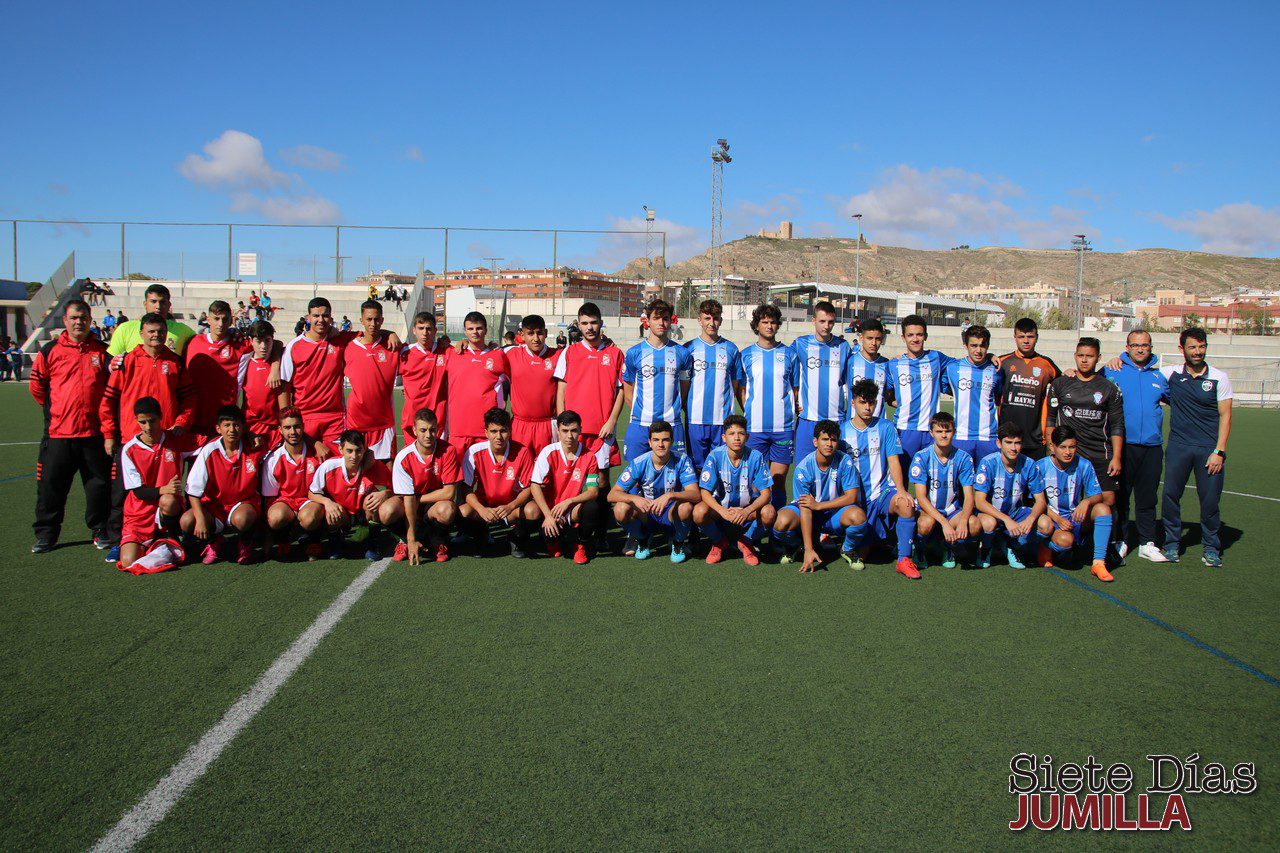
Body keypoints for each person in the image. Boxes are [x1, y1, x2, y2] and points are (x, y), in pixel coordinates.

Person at [100, 312, 197, 562]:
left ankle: (168, 534)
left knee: (169, 491)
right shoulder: (128, 361)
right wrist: (109, 434)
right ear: (141, 333)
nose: (156, 336)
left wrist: (180, 423)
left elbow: (188, 399)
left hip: (165, 440)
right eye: (151, 331)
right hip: (131, 440)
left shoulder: (174, 362)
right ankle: (117, 539)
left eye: (160, 331)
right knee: (123, 492)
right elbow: (108, 400)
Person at [29, 299, 112, 554]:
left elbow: (111, 389)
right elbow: (37, 387)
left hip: (93, 434)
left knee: (98, 487)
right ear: (65, 321)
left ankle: (100, 530)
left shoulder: (101, 351)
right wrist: (58, 411)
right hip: (58, 434)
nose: (79, 322)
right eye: (74, 317)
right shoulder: (50, 351)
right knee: (51, 488)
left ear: (90, 320)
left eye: (84, 317)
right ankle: (47, 534)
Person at [1158, 327, 1232, 567]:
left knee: (1209, 501)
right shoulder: (1170, 374)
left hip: (1208, 450)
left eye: (1201, 347)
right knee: (1170, 496)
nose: (1197, 352)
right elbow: (1140, 372)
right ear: (1182, 349)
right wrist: (1120, 359)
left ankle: (1211, 548)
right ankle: (1171, 544)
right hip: (1179, 447)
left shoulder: (1219, 378)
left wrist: (1219, 451)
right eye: (1192, 347)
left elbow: (1226, 416)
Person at [1046, 337, 1124, 562]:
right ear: (1075, 356)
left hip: (1100, 453)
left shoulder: (1108, 388)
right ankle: (1063, 540)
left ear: (1098, 358)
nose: (1085, 360)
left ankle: (1104, 544)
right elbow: (1051, 419)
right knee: (1063, 499)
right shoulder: (1061, 384)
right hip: (1068, 454)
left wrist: (1116, 456)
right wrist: (1051, 448)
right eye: (1081, 355)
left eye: (1090, 356)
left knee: (1107, 500)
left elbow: (1118, 424)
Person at [554, 302, 624, 548]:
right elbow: (561, 390)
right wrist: (563, 425)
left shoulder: (614, 353)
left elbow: (620, 391)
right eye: (584, 323)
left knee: (602, 482)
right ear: (578, 324)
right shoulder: (569, 352)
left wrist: (612, 421)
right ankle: (564, 530)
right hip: (574, 431)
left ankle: (601, 532)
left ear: (601, 323)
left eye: (593, 322)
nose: (589, 327)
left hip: (601, 431)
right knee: (567, 479)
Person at [840, 379, 918, 577]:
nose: (868, 407)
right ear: (853, 402)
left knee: (906, 504)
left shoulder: (886, 427)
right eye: (863, 402)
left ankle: (904, 559)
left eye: (872, 403)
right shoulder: (842, 432)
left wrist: (901, 491)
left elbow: (893, 461)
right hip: (855, 499)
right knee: (864, 554)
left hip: (881, 493)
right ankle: (865, 539)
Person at [1102, 330, 1168, 563]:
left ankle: (1147, 543)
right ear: (1127, 346)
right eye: (1135, 345)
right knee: (1120, 497)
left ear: (1151, 347)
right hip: (1122, 446)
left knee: (1148, 497)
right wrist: (1070, 371)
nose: (1140, 349)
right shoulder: (1113, 369)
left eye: (1145, 345)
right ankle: (1120, 540)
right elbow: (1087, 377)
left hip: (1151, 446)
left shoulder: (1159, 376)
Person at [771, 419, 867, 574]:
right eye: (825, 439)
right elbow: (806, 509)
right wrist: (809, 549)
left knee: (858, 516)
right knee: (780, 522)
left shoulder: (845, 461)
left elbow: (852, 497)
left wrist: (819, 505)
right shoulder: (804, 468)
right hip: (808, 513)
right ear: (815, 442)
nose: (829, 444)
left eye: (833, 440)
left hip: (833, 513)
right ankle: (798, 546)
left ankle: (847, 549)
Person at [735, 303, 800, 512]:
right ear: (757, 325)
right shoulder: (745, 355)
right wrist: (750, 410)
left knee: (778, 480)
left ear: (778, 325)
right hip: (755, 428)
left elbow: (795, 389)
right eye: (765, 322)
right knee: (756, 483)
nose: (769, 326)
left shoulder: (790, 354)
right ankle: (755, 529)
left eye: (773, 322)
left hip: (783, 427)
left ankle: (777, 531)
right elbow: (741, 390)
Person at [609, 419, 700, 563]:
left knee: (686, 507)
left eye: (665, 440)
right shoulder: (639, 462)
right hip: (647, 512)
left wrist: (670, 495)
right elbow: (612, 494)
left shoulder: (682, 460)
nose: (661, 444)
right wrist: (634, 498)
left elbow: (695, 494)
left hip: (670, 513)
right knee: (620, 509)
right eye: (656, 440)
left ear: (672, 441)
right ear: (650, 442)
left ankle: (678, 543)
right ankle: (642, 540)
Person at [181, 405, 263, 565]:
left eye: (236, 425)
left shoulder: (253, 446)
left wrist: (254, 435)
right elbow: (193, 490)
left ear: (243, 427)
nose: (232, 429)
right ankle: (215, 542)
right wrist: (200, 518)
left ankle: (245, 544)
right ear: (218, 428)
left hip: (243, 504)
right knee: (187, 520)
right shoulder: (209, 450)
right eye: (227, 425)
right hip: (214, 507)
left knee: (243, 518)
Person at [693, 414, 775, 566]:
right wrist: (722, 511)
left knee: (769, 513)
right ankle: (719, 541)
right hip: (721, 511)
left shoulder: (756, 457)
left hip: (747, 511)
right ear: (724, 437)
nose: (736, 438)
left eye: (741, 434)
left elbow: (766, 494)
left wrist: (746, 511)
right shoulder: (715, 456)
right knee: (698, 513)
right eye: (731, 434)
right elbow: (704, 492)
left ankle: (746, 541)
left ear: (747, 436)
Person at [1035, 425, 1114, 582]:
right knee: (1065, 542)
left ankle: (1098, 563)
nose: (1068, 452)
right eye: (1063, 447)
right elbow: (1037, 502)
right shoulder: (1040, 466)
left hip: (1076, 517)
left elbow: (1097, 495)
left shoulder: (1084, 465)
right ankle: (1046, 545)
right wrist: (1057, 519)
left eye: (1072, 447)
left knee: (1103, 509)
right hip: (1053, 520)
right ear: (1052, 446)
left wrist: (1086, 501)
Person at [307, 430, 400, 561]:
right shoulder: (328, 467)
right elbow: (312, 493)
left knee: (372, 501)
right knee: (330, 510)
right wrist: (327, 503)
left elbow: (396, 491)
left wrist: (385, 494)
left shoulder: (375, 466)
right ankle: (335, 542)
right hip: (343, 513)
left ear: (364, 449)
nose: (354, 456)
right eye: (349, 451)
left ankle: (373, 544)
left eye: (358, 450)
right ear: (340, 449)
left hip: (364, 513)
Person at [118, 396, 186, 568]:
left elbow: (210, 443)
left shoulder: (175, 439)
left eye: (152, 421)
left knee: (169, 500)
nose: (148, 427)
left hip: (168, 508)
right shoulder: (129, 450)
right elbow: (139, 492)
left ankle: (170, 537)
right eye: (143, 422)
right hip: (139, 513)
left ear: (161, 417)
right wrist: (165, 488)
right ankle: (161, 548)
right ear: (137, 421)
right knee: (128, 561)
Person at [459, 408, 536, 558]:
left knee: (533, 511)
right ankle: (481, 534)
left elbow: (529, 488)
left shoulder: (522, 452)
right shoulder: (474, 451)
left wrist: (511, 506)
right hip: (484, 508)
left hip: (511, 508)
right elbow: (466, 489)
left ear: (510, 430)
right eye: (493, 431)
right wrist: (482, 509)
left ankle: (515, 538)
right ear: (486, 432)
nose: (498, 436)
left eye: (503, 431)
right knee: (463, 512)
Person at [622, 299, 692, 461]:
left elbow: (684, 388)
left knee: (674, 476)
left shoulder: (682, 353)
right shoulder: (634, 353)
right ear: (647, 321)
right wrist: (644, 414)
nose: (661, 323)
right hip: (641, 425)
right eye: (656, 318)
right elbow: (628, 393)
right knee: (635, 477)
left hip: (672, 425)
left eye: (665, 318)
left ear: (671, 321)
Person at [908, 411, 979, 569]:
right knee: (926, 524)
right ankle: (920, 550)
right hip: (928, 510)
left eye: (948, 431)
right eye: (939, 431)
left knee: (973, 524)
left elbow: (969, 496)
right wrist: (944, 523)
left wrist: (962, 520)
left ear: (954, 432)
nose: (944, 435)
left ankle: (949, 547)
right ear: (931, 433)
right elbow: (921, 497)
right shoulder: (922, 457)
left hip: (952, 510)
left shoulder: (964, 458)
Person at [530, 410, 601, 564]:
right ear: (558, 431)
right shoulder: (548, 452)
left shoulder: (590, 457)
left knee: (592, 507)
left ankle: (581, 545)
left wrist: (569, 501)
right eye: (565, 431)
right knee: (547, 533)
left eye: (574, 430)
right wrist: (548, 516)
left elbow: (593, 492)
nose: (569, 436)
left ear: (580, 430)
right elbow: (535, 485)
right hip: (551, 510)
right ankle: (552, 539)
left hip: (573, 508)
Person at [392, 408, 462, 564]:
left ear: (437, 429)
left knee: (448, 509)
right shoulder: (403, 457)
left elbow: (449, 493)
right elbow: (408, 499)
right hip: (409, 503)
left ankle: (437, 540)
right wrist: (411, 539)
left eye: (432, 430)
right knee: (386, 511)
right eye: (423, 430)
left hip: (431, 505)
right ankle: (404, 540)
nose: (428, 435)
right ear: (414, 430)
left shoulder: (448, 451)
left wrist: (419, 499)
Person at [973, 422, 1046, 569]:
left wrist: (1030, 519)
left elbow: (1041, 501)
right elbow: (979, 502)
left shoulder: (1029, 464)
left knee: (1045, 524)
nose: (1013, 448)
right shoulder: (988, 463)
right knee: (988, 523)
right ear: (999, 443)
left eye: (1017, 443)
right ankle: (986, 548)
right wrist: (1006, 519)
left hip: (1016, 512)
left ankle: (1010, 545)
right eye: (1009, 442)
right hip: (991, 514)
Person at [185, 301, 256, 444]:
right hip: (193, 419)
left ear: (231, 320)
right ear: (208, 319)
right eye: (216, 318)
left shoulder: (240, 345)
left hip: (224, 422)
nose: (221, 323)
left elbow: (272, 344)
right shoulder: (193, 342)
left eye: (225, 319)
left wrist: (274, 367)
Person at [887, 314, 954, 461]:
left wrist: (989, 356)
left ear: (926, 336)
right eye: (910, 335)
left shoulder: (936, 357)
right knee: (901, 477)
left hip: (931, 430)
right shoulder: (894, 364)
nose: (915, 339)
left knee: (932, 478)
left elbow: (965, 363)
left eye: (919, 334)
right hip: (905, 430)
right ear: (903, 337)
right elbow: (887, 394)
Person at [683, 299, 741, 469]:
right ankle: (700, 497)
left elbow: (735, 385)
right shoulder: (688, 349)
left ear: (721, 320)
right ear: (699, 320)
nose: (712, 323)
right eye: (707, 318)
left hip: (722, 420)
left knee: (721, 466)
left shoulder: (731, 349)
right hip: (695, 419)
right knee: (697, 468)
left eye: (715, 318)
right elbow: (683, 385)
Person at [260, 408, 323, 560]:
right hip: (286, 501)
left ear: (303, 426)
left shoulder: (317, 455)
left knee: (309, 517)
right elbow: (269, 498)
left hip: (310, 500)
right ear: (280, 430)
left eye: (296, 426)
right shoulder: (273, 459)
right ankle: (283, 538)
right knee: (275, 516)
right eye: (287, 428)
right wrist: (268, 536)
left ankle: (313, 540)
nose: (293, 432)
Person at [445, 311, 510, 457]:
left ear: (486, 330)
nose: (475, 332)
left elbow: (517, 381)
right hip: (458, 431)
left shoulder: (498, 355)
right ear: (465, 331)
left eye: (479, 328)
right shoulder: (452, 353)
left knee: (486, 479)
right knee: (457, 478)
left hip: (488, 432)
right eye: (470, 329)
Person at [789, 301, 850, 455]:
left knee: (837, 472)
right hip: (808, 419)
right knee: (804, 470)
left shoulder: (843, 346)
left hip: (836, 419)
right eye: (822, 321)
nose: (826, 326)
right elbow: (783, 369)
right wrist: (793, 401)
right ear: (814, 321)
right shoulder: (800, 344)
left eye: (830, 322)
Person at [342, 300, 400, 461]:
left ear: (382, 320)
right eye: (368, 319)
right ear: (361, 320)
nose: (373, 323)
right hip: (356, 422)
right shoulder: (348, 347)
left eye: (376, 319)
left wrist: (391, 333)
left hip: (384, 423)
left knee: (388, 472)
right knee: (356, 470)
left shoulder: (393, 347)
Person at [997, 318, 1060, 459]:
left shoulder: (1046, 364)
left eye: (1030, 337)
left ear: (1037, 337)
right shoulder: (1003, 362)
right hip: (1007, 437)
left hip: (1035, 438)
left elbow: (1062, 384)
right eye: (1021, 337)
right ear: (1015, 337)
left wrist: (1069, 373)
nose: (1026, 341)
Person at [943, 324, 1002, 463]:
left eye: (982, 345)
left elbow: (999, 397)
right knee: (960, 483)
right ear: (965, 345)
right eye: (973, 345)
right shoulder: (952, 368)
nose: (978, 350)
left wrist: (991, 356)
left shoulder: (996, 370)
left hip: (989, 437)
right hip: (961, 437)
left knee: (987, 483)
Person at [504, 315, 560, 454]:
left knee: (548, 472)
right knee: (520, 472)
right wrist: (463, 343)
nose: (536, 338)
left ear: (545, 333)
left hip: (548, 425)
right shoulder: (510, 354)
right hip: (519, 426)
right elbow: (485, 354)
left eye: (539, 333)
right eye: (530, 333)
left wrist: (605, 341)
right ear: (522, 334)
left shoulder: (558, 356)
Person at [399, 311, 450, 447]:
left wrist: (462, 342)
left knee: (437, 458)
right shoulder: (404, 352)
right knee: (412, 458)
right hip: (411, 417)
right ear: (414, 330)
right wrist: (390, 334)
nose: (425, 333)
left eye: (428, 328)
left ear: (435, 330)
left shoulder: (445, 351)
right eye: (421, 328)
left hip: (437, 417)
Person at [239, 320, 293, 451]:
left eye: (267, 341)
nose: (263, 346)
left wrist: (275, 366)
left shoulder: (282, 361)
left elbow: (279, 344)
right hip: (250, 430)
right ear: (251, 341)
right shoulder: (243, 362)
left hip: (274, 431)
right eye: (258, 341)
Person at [107, 284, 196, 358]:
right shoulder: (125, 329)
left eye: (162, 302)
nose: (158, 306)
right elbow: (110, 360)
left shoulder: (183, 330)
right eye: (153, 301)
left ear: (169, 305)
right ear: (145, 304)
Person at [843, 318, 892, 418]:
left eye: (878, 339)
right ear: (861, 338)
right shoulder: (849, 361)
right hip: (853, 424)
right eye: (869, 338)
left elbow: (889, 396)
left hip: (878, 425)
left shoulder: (887, 364)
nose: (874, 343)